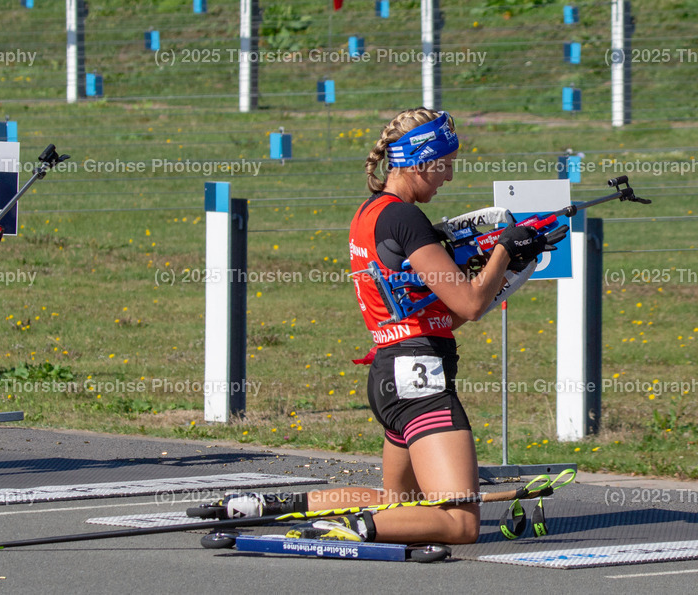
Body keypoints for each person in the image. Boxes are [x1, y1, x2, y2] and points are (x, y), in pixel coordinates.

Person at [206, 108, 561, 545]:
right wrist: (504, 252)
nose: (448, 177)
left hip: (392, 374)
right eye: (445, 165)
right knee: (461, 525)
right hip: (419, 382)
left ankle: (275, 507)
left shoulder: (371, 213)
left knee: (400, 506)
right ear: (419, 160)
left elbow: (441, 318)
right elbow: (469, 304)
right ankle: (347, 527)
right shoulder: (405, 219)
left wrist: (501, 268)